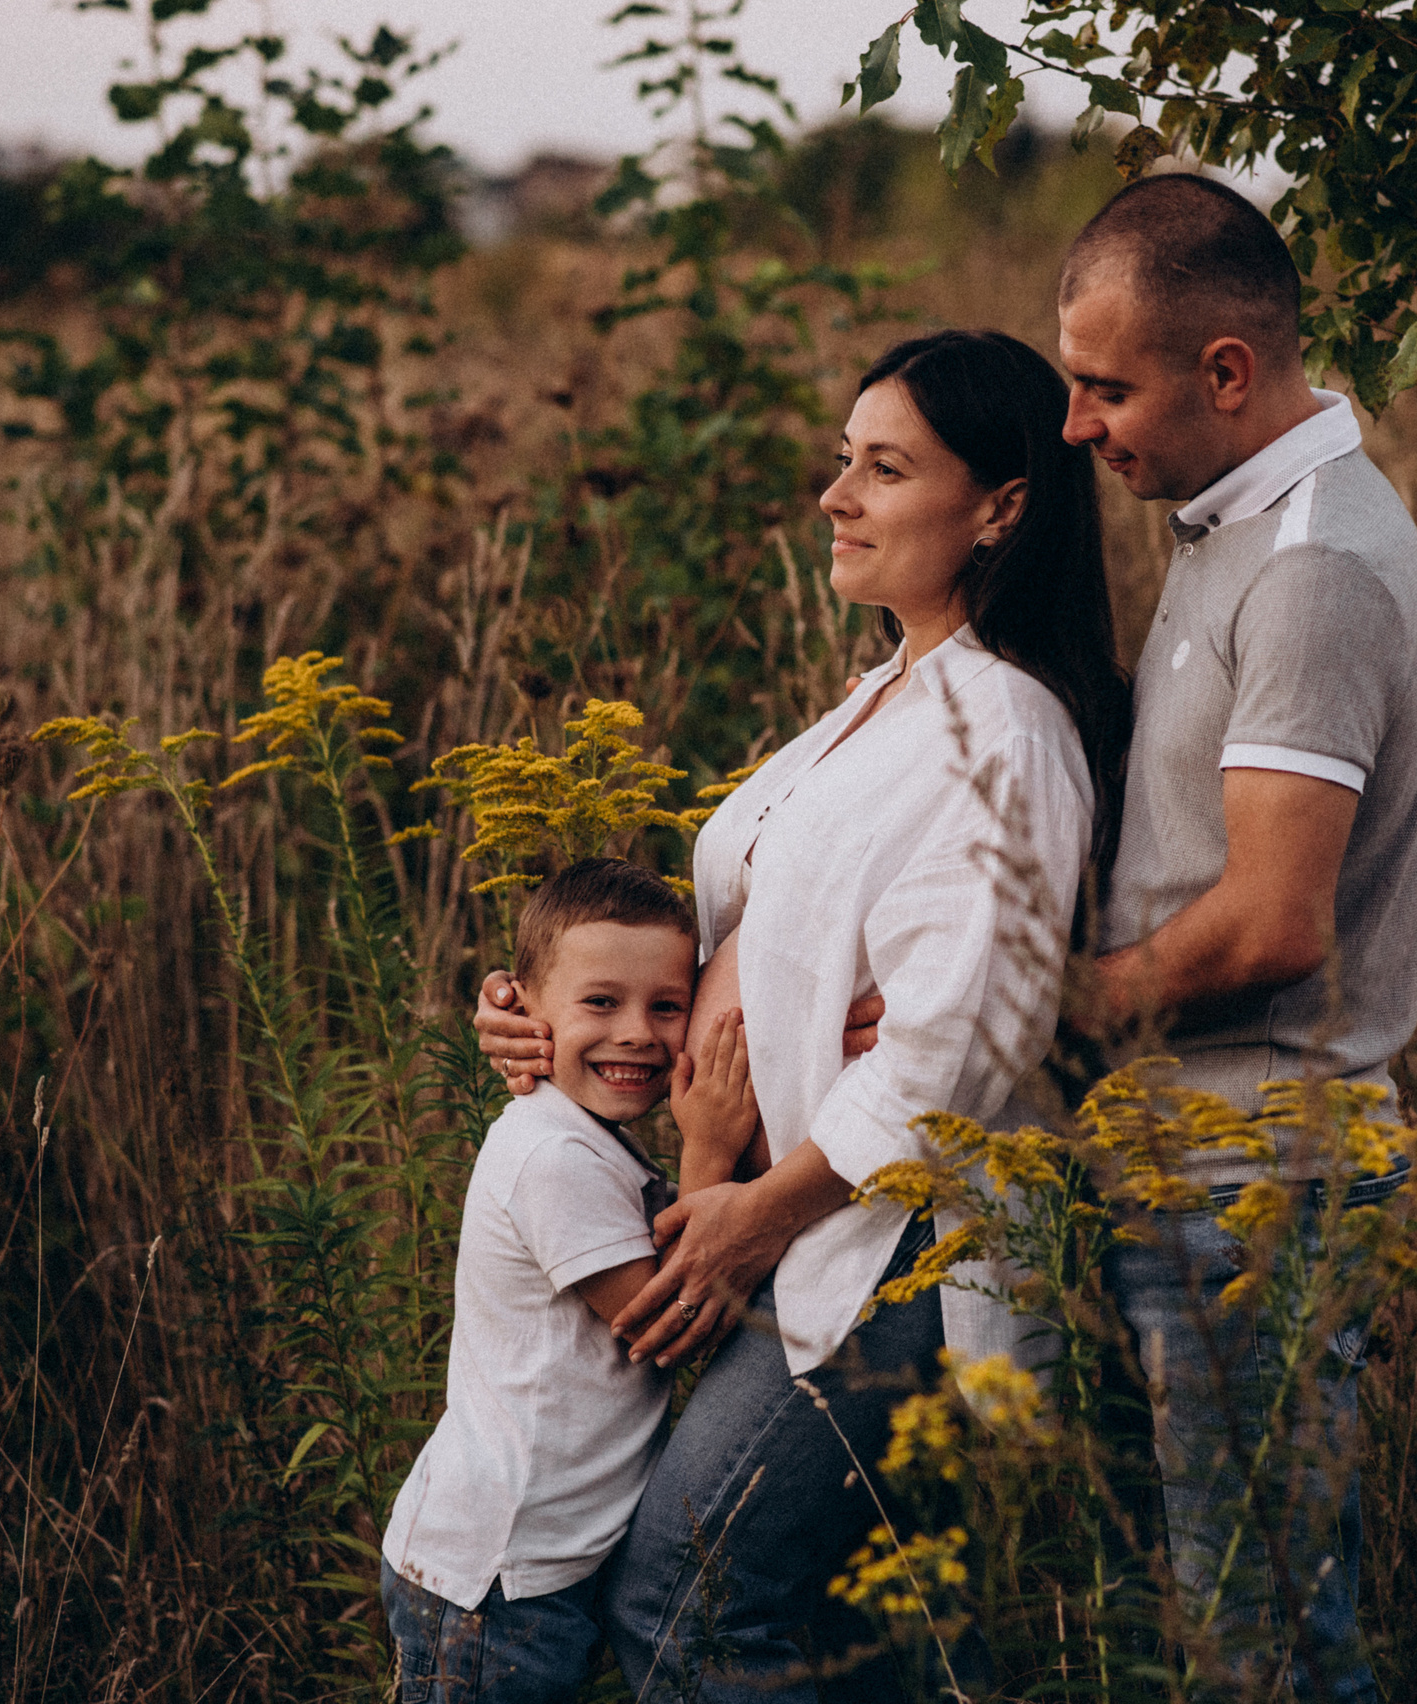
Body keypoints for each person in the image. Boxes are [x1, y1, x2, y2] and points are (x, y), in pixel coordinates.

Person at [479, 328, 1129, 1702]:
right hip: (787, 1219)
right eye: (843, 463)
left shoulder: (1004, 730)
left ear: (1001, 506)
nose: (834, 497)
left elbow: (968, 1039)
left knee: (692, 1604)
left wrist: (761, 1210)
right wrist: (570, 1020)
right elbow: (757, 950)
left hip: (882, 1248)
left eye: (883, 470)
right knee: (850, 1635)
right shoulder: (887, 693)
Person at [1054, 171, 1417, 1704]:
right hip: (1191, 1168)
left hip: (1255, 1193)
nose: (1081, 425)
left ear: (1228, 371)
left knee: (1263, 1653)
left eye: (1106, 388)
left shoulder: (1313, 571)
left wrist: (1045, 1010)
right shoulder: (1232, 525)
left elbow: (1275, 919)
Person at [380, 857, 759, 1703]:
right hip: (495, 1588)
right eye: (601, 1003)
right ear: (524, 1008)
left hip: (537, 1571)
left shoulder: (586, 1136)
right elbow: (671, 1324)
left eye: (667, 1007)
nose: (637, 1033)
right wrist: (709, 1149)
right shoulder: (554, 1156)